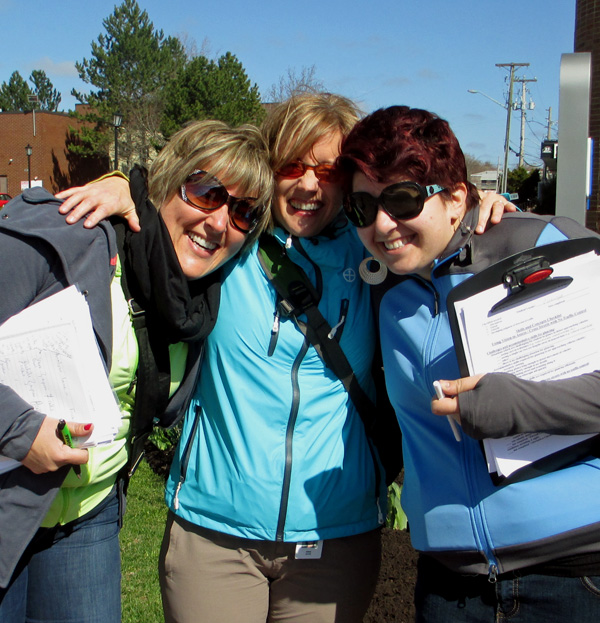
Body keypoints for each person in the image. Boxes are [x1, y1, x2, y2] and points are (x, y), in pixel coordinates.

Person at [60, 93, 513, 623]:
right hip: (214, 533)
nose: (308, 184)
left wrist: (478, 205)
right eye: (293, 166)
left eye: (328, 169)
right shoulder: (231, 242)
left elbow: (438, 233)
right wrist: (123, 184)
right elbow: (163, 222)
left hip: (334, 537)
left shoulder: (375, 253)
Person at [0, 119, 272, 623]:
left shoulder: (200, 300)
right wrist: (18, 430)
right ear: (167, 183)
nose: (218, 222)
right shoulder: (70, 234)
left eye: (242, 211)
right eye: (207, 191)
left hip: (88, 517)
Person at [338, 104, 600, 622]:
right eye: (362, 209)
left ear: (457, 199)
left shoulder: (543, 244)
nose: (382, 224)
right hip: (450, 587)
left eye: (404, 199)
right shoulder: (384, 290)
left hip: (571, 575)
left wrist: (516, 404)